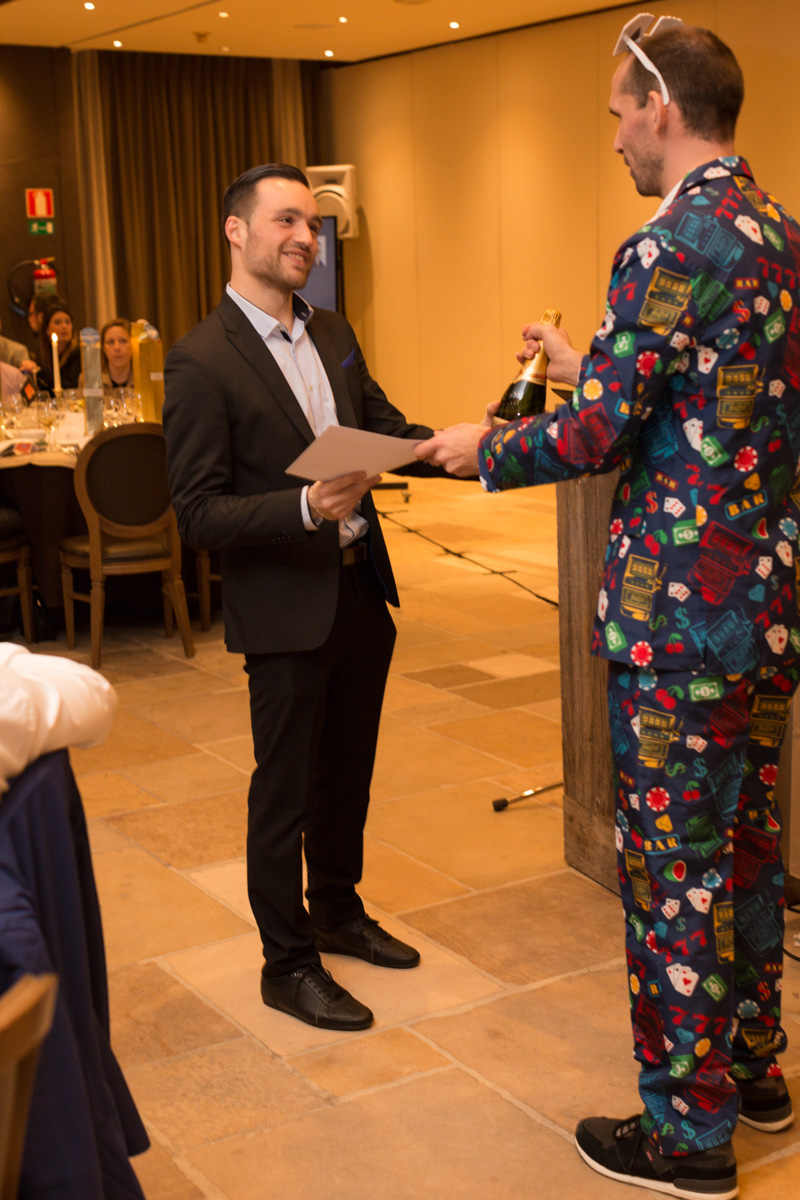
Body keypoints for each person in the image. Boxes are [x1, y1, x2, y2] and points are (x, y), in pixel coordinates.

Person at [416, 15, 798, 1200]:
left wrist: (484, 447)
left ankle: (686, 1137)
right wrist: (591, 358)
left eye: (619, 114)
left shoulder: (663, 241)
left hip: (674, 623)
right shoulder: (777, 234)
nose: (616, 136)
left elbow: (596, 436)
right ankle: (754, 1071)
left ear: (660, 107)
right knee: (745, 851)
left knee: (673, 872)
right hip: (761, 613)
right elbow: (699, 397)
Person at [163, 163, 448, 1033]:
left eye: (313, 225)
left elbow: (386, 428)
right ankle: (286, 964)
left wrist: (476, 441)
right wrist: (301, 507)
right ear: (236, 231)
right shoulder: (201, 358)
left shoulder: (333, 331)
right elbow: (198, 512)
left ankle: (337, 912)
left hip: (359, 589)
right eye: (286, 220)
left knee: (346, 774)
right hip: (284, 608)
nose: (305, 238)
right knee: (283, 793)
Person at [37, 302, 81, 393]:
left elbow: (72, 388)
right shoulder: (41, 355)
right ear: (47, 329)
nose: (64, 326)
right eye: (57, 322)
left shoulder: (78, 353)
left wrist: (42, 373)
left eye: (67, 322)